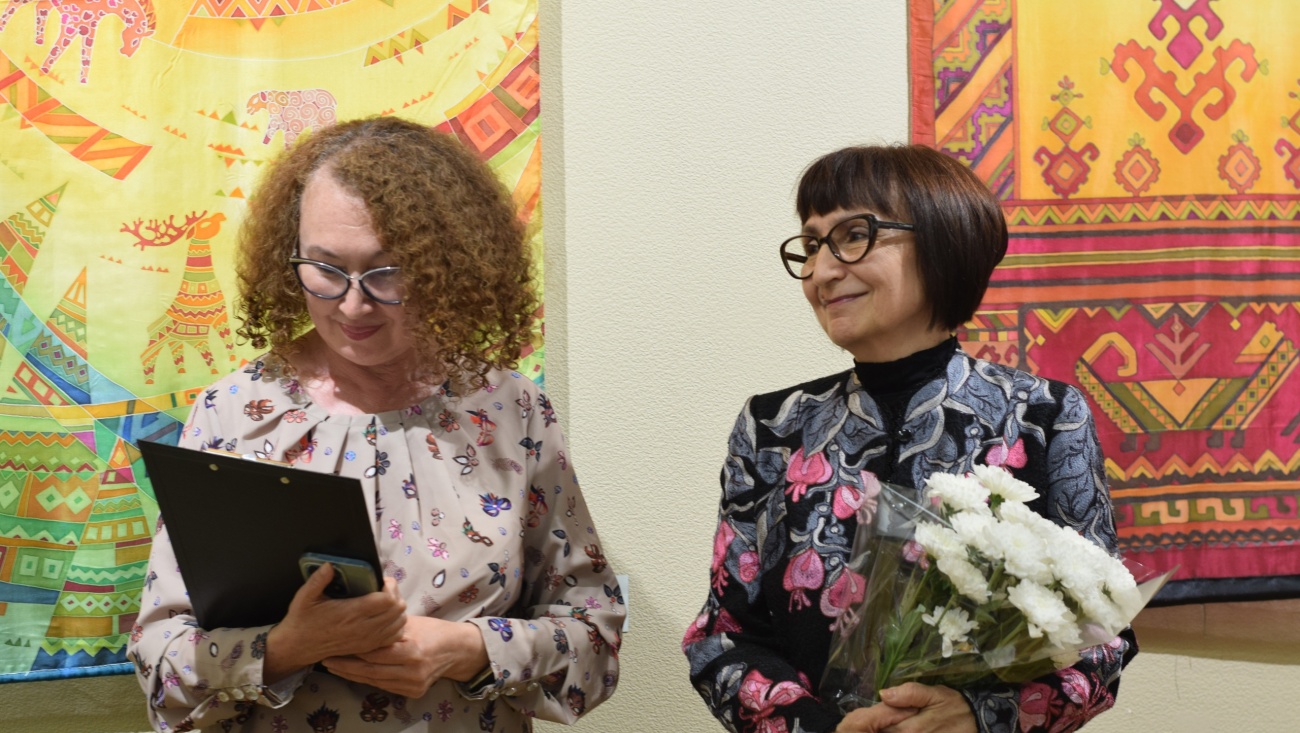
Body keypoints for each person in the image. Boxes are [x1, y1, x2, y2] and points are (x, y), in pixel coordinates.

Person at [128, 116, 623, 732]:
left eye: (387, 272)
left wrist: (469, 650)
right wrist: (282, 650)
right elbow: (159, 660)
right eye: (325, 268)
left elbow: (595, 636)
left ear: (446, 267)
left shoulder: (509, 410)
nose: (353, 304)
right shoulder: (232, 412)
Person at [682, 145, 1135, 733]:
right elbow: (723, 637)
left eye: (853, 236)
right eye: (812, 245)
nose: (822, 272)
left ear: (945, 242)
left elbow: (1102, 634)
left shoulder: (1044, 416)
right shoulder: (772, 426)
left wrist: (980, 717)